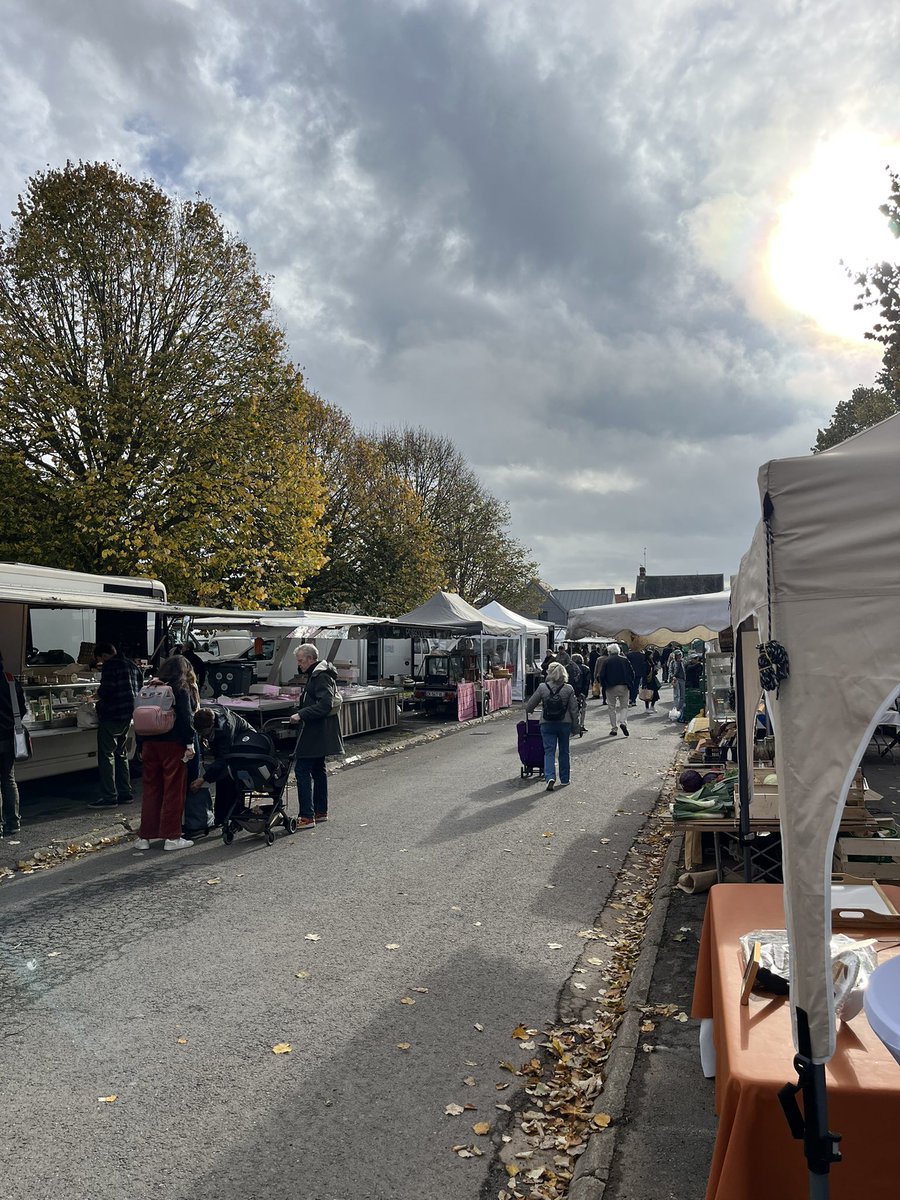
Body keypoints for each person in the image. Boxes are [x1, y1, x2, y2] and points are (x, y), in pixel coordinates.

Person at [133, 654, 196, 852]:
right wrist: (189, 743)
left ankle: (145, 836)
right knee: (173, 790)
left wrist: (141, 744)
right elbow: (186, 718)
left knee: (151, 790)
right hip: (173, 744)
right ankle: (172, 837)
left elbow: (139, 718)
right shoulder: (180, 687)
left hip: (149, 744)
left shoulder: (150, 687)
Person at [289, 644, 344, 827]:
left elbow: (325, 704)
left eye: (301, 660)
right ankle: (320, 811)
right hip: (321, 732)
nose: (299, 664)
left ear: (311, 659)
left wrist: (301, 714)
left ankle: (306, 816)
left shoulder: (320, 676)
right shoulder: (318, 674)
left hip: (315, 732)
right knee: (318, 770)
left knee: (302, 770)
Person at [89, 642, 144, 809]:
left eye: (99, 659)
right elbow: (140, 687)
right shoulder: (132, 665)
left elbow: (106, 690)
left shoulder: (110, 666)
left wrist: (94, 698)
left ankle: (109, 796)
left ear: (103, 655)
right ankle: (125, 792)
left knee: (106, 755)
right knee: (121, 753)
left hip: (111, 714)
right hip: (128, 714)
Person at [191, 706, 256, 827]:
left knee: (232, 779)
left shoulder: (225, 727)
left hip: (245, 743)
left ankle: (236, 816)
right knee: (221, 779)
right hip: (229, 745)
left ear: (210, 726)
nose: (202, 735)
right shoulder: (208, 717)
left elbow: (224, 758)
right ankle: (221, 818)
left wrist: (204, 778)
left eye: (203, 733)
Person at [525, 660, 581, 792]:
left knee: (549, 751)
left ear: (549, 673)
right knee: (564, 751)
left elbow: (529, 706)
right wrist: (576, 726)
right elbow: (574, 709)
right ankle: (565, 778)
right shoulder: (568, 688)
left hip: (547, 723)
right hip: (564, 723)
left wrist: (533, 710)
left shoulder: (542, 687)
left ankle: (550, 776)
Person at [0, 654, 27, 837]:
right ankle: (13, 822)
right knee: (8, 780)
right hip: (9, 736)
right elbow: (23, 708)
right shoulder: (10, 679)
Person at [599, 643, 634, 736]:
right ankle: (623, 722)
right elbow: (631, 673)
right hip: (623, 686)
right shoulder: (625, 660)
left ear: (609, 652)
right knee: (624, 706)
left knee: (611, 707)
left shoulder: (606, 661)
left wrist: (604, 685)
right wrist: (630, 684)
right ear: (618, 651)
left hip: (610, 687)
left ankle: (614, 728)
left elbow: (601, 675)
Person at [568, 652, 590, 732]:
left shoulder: (568, 668)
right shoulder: (586, 668)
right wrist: (584, 693)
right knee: (583, 708)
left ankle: (572, 724)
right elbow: (587, 682)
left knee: (570, 708)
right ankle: (581, 724)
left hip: (570, 692)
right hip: (581, 692)